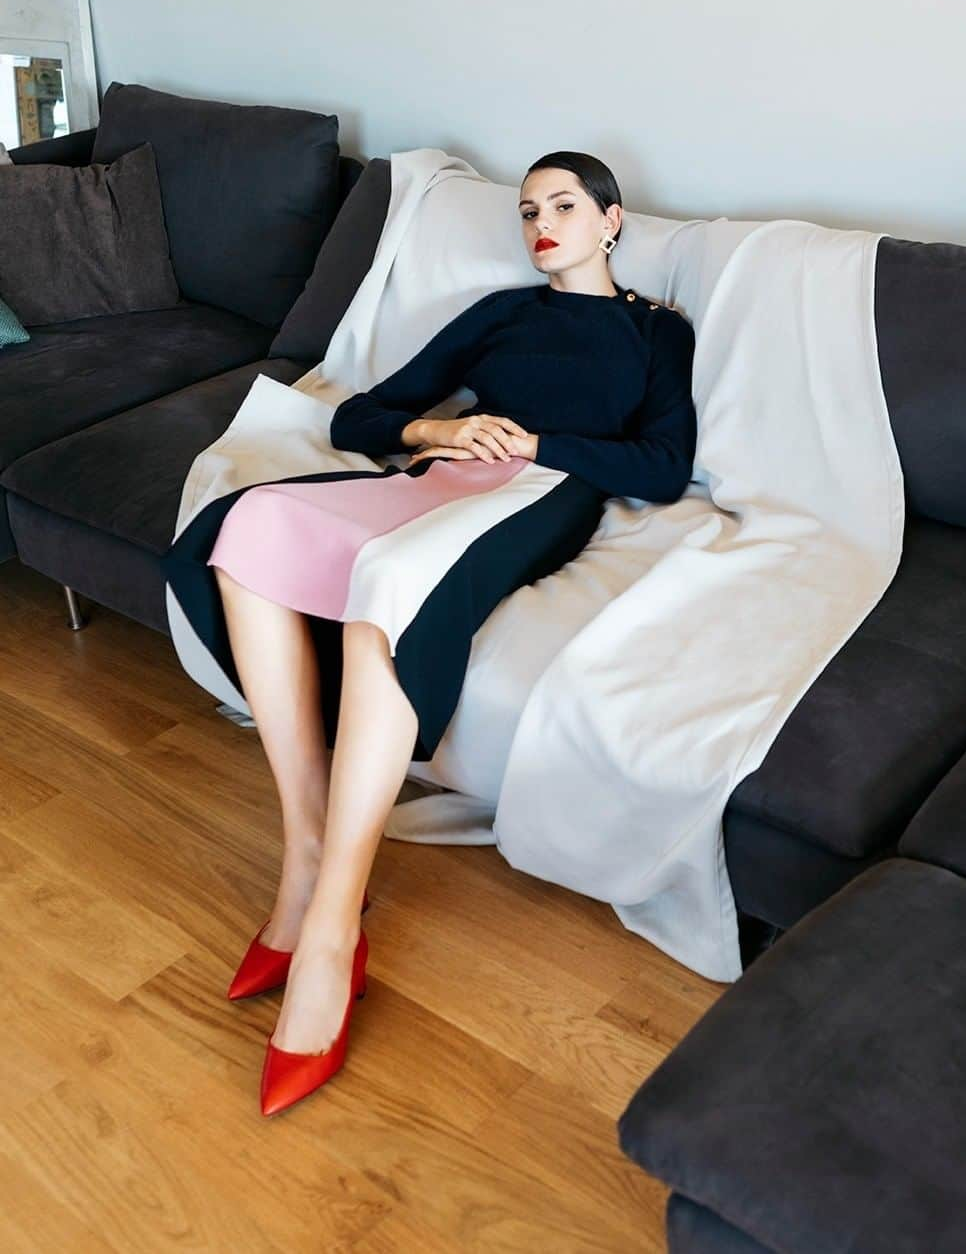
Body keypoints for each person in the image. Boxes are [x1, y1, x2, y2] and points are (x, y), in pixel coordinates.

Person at [204, 150, 698, 1115]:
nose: (540, 224)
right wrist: (439, 433)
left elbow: (664, 467)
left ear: (611, 219)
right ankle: (305, 858)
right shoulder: (503, 314)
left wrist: (537, 444)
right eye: (525, 212)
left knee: (389, 583)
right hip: (442, 479)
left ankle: (334, 926)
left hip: (544, 492)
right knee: (250, 522)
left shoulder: (656, 334)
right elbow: (366, 416)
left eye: (562, 206)